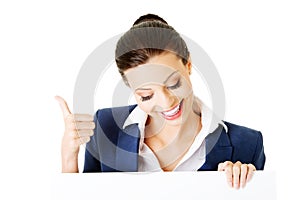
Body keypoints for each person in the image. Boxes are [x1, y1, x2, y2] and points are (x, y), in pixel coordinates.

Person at [55, 14, 265, 189]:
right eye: (146, 95)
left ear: (188, 65)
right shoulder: (106, 127)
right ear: (131, 88)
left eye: (173, 83)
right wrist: (68, 157)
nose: (166, 102)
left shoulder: (246, 144)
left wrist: (245, 186)